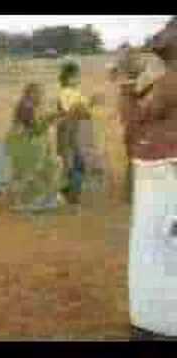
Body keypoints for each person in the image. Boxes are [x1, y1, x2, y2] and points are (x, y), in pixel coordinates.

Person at [123, 19, 177, 340]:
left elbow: (137, 119)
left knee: (160, 245)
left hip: (166, 173)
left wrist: (126, 83)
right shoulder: (165, 79)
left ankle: (160, 320)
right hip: (160, 170)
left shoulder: (171, 82)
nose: (160, 35)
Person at [6, 83, 65, 213]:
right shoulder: (26, 107)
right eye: (39, 93)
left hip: (26, 145)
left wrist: (50, 118)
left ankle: (39, 198)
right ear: (32, 94)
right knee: (39, 169)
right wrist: (51, 118)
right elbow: (35, 129)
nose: (41, 97)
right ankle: (29, 200)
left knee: (49, 165)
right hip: (24, 146)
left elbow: (36, 127)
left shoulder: (28, 105)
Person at [56, 61, 105, 204]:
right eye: (75, 76)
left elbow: (81, 108)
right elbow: (71, 111)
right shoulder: (66, 93)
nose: (78, 79)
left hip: (78, 130)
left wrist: (91, 102)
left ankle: (69, 193)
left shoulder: (73, 92)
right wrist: (88, 105)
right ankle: (68, 194)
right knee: (74, 162)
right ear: (68, 77)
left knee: (76, 162)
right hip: (72, 131)